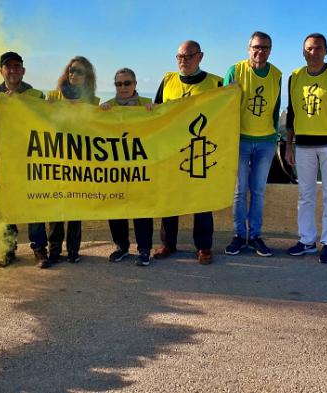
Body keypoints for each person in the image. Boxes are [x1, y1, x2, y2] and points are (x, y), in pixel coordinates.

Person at [0, 51, 50, 268]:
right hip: (2, 161)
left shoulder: (35, 95)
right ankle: (8, 249)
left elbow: (48, 124)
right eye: (8, 66)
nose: (13, 69)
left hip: (30, 158)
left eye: (17, 66)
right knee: (6, 206)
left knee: (34, 201)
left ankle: (38, 248)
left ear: (23, 70)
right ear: (1, 71)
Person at [284, 33, 327, 264]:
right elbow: (292, 115)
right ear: (303, 51)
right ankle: (306, 241)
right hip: (303, 145)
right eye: (309, 49)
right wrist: (289, 146)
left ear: (326, 50)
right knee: (305, 195)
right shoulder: (294, 77)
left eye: (318, 48)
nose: (313, 52)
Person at [152, 40, 223, 265]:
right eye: (180, 57)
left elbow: (224, 116)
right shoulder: (168, 81)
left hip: (200, 151)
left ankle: (203, 247)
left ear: (200, 56)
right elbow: (155, 114)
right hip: (172, 150)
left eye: (188, 56)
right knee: (170, 199)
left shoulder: (216, 83)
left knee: (201, 200)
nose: (183, 60)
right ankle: (168, 244)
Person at [223, 32, 282, 257]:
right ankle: (239, 236)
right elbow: (225, 105)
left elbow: (276, 110)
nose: (260, 51)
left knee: (258, 191)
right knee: (240, 191)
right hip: (240, 140)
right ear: (249, 48)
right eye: (256, 47)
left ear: (270, 50)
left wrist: (275, 137)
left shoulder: (276, 74)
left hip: (266, 142)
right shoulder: (235, 71)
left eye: (265, 47)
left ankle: (255, 236)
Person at [44, 56, 100, 266]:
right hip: (55, 157)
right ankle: (54, 250)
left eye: (79, 71)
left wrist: (104, 112)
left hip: (80, 158)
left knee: (76, 205)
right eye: (71, 70)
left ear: (87, 77)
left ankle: (73, 250)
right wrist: (44, 107)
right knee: (55, 204)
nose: (73, 74)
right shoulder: (53, 97)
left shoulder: (93, 102)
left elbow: (100, 127)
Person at [100, 68, 154, 266]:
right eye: (118, 84)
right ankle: (121, 246)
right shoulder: (108, 106)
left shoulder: (146, 104)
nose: (123, 87)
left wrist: (155, 111)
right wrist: (100, 113)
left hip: (140, 164)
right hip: (115, 166)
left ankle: (144, 248)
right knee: (116, 206)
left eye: (127, 83)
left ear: (135, 84)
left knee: (142, 208)